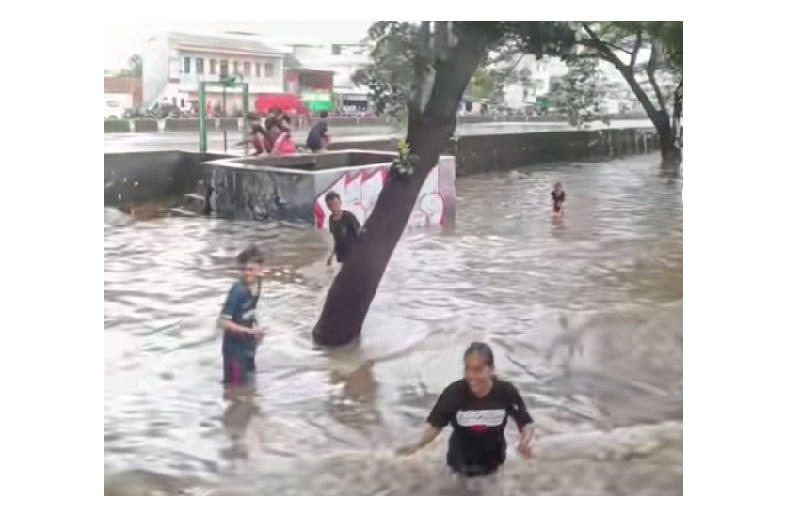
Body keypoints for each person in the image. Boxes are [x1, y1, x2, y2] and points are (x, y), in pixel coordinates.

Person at [397, 342, 535, 478]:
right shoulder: (453, 394)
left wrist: (525, 442)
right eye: (468, 369)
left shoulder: (506, 392)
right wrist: (415, 447)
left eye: (477, 370)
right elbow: (434, 427)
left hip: (494, 466)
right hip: (458, 468)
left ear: (491, 369)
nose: (471, 376)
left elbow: (525, 422)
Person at [219, 245, 265, 386]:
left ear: (260, 269)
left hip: (248, 344)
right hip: (234, 349)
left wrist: (257, 328)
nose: (246, 274)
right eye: (243, 269)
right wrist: (249, 331)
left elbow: (251, 311)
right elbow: (222, 322)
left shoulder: (258, 283)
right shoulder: (237, 291)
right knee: (235, 390)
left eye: (250, 269)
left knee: (250, 386)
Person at [325, 191, 361, 267]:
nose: (334, 208)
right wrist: (331, 256)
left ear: (340, 203)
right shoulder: (331, 219)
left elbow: (359, 235)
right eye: (331, 205)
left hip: (353, 256)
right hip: (341, 256)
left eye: (336, 204)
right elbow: (336, 240)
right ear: (328, 207)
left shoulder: (349, 217)